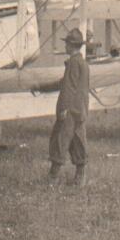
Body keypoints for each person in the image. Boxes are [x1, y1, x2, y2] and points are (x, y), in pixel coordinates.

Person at [42, 27, 91, 185]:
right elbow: (68, 85)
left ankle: (53, 178)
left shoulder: (73, 64)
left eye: (67, 44)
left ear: (71, 45)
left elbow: (68, 88)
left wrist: (63, 109)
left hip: (69, 110)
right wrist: (41, 87)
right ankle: (80, 178)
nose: (65, 46)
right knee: (78, 142)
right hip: (80, 109)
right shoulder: (83, 63)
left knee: (60, 141)